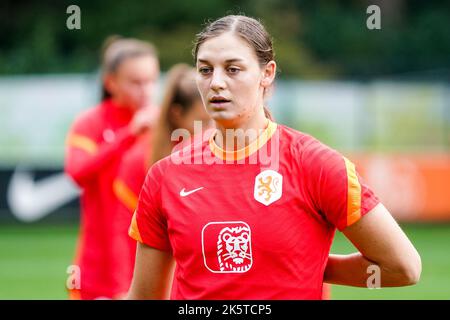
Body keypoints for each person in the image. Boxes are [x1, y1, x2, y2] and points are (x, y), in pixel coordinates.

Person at [126, 15, 421, 299]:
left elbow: (402, 267)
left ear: (266, 74)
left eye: (232, 69)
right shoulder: (166, 175)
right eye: (205, 70)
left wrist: (311, 265)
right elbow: (143, 297)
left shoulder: (315, 165)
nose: (216, 82)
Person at [64, 36, 160, 299]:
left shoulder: (164, 125)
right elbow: (77, 172)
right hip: (97, 268)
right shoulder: (90, 122)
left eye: (152, 80)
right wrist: (129, 134)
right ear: (111, 83)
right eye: (136, 82)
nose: (147, 90)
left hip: (148, 263)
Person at [111, 64, 211, 297]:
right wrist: (124, 289)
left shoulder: (215, 154)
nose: (211, 130)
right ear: (177, 114)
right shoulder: (140, 161)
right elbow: (126, 233)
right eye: (202, 121)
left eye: (214, 120)